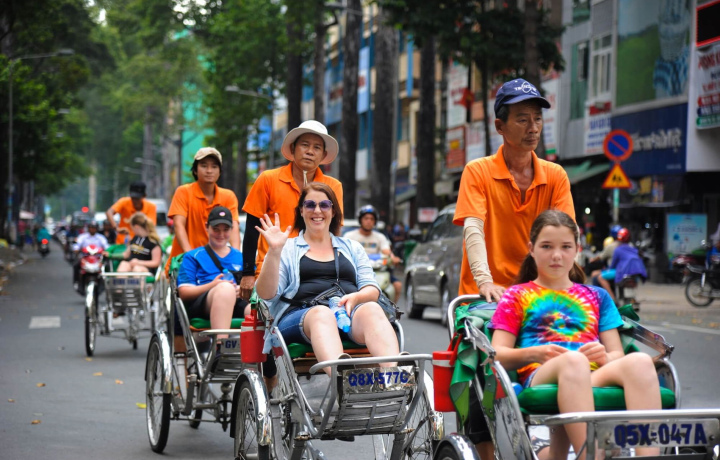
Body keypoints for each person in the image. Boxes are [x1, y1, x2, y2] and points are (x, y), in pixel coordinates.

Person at [452, 78, 576, 459]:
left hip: (538, 292)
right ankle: (484, 448)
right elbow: (474, 228)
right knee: (479, 366)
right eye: (522, 119)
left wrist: (573, 285)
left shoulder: (555, 175)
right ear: (500, 126)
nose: (533, 127)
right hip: (485, 296)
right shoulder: (478, 171)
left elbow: (567, 237)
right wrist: (485, 281)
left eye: (537, 118)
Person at [490, 210, 661, 460]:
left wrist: (605, 358)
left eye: (566, 247)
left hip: (591, 374)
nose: (556, 255)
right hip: (542, 373)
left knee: (641, 362)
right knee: (574, 360)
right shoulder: (516, 295)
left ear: (577, 250)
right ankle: (590, 456)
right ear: (531, 249)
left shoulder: (598, 296)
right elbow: (496, 354)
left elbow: (616, 354)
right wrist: (536, 353)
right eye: (546, 246)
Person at [254, 183, 398, 374]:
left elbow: (371, 288)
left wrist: (356, 297)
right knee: (321, 314)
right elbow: (266, 294)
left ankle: (393, 377)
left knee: (372, 308)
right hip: (301, 317)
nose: (317, 210)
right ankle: (340, 380)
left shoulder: (352, 247)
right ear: (301, 211)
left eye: (324, 205)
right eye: (310, 205)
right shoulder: (287, 248)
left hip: (348, 313)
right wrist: (274, 251)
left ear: (333, 211)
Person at [240, 120, 344, 300]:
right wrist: (248, 272)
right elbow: (252, 228)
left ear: (323, 155)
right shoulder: (268, 179)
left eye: (317, 147)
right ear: (293, 148)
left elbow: (334, 231)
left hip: (315, 271)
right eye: (305, 145)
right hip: (272, 269)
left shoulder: (333, 186)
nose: (310, 151)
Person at [166, 147, 240, 274]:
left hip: (217, 265)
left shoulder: (228, 196)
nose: (209, 170)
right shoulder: (183, 192)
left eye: (214, 166)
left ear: (220, 171)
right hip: (185, 264)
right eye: (204, 166)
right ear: (195, 170)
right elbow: (179, 225)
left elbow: (234, 229)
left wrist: (236, 259)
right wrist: (192, 258)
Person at [177, 206, 247, 341]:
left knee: (259, 308)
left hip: (237, 301)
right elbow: (184, 292)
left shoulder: (241, 257)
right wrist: (213, 285)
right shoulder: (193, 256)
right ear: (207, 227)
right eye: (216, 229)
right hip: (205, 303)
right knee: (225, 289)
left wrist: (243, 290)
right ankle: (220, 346)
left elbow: (254, 284)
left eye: (226, 229)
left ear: (232, 229)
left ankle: (261, 352)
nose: (221, 234)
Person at [344, 205, 402, 302]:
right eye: (366, 218)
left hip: (378, 270)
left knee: (397, 285)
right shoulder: (349, 236)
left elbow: (386, 251)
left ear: (375, 221)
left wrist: (393, 258)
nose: (369, 221)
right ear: (360, 220)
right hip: (355, 272)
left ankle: (392, 310)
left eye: (372, 219)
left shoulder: (380, 237)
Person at [593, 228, 647, 304]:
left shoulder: (618, 249)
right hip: (635, 274)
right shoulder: (633, 248)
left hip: (622, 272)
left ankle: (613, 300)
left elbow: (612, 265)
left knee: (600, 277)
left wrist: (609, 269)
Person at [73, 222, 110, 292]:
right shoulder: (82, 237)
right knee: (76, 265)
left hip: (97, 259)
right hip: (85, 258)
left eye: (94, 228)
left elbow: (107, 246)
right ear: (88, 228)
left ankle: (106, 283)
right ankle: (77, 282)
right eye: (91, 228)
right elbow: (77, 246)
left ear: (96, 229)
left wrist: (106, 251)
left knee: (107, 265)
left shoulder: (101, 237)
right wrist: (76, 249)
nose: (92, 229)